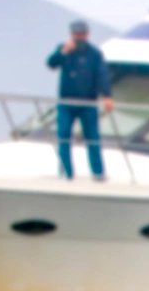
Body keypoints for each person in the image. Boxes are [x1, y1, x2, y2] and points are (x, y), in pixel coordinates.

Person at [46, 20, 114, 181]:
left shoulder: (95, 54)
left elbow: (102, 75)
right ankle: (66, 172)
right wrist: (63, 52)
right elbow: (51, 64)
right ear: (72, 35)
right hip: (66, 103)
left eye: (82, 34)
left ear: (87, 34)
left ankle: (98, 173)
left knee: (93, 138)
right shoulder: (63, 50)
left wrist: (107, 96)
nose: (79, 37)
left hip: (88, 103)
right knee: (63, 136)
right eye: (77, 34)